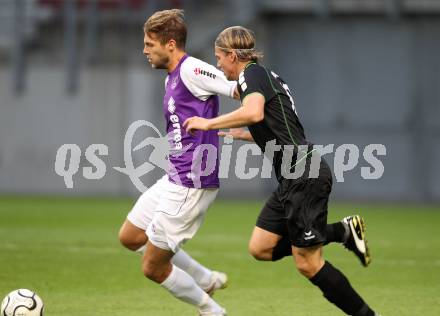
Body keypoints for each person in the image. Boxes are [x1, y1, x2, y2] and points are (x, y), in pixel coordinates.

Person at [184, 26, 378, 316]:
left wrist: (208, 123)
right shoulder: (267, 78)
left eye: (219, 58)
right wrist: (244, 134)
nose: (218, 64)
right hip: (293, 175)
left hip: (304, 172)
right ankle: (342, 231)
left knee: (307, 262)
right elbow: (279, 125)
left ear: (233, 55)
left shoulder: (251, 74)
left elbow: (255, 113)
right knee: (261, 247)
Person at [118, 10, 237, 316]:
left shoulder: (192, 70)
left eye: (150, 44)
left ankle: (213, 312)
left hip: (191, 183)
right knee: (130, 236)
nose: (145, 50)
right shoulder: (174, 75)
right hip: (175, 176)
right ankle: (205, 279)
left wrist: (262, 105)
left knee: (152, 268)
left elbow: (236, 88)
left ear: (170, 44)